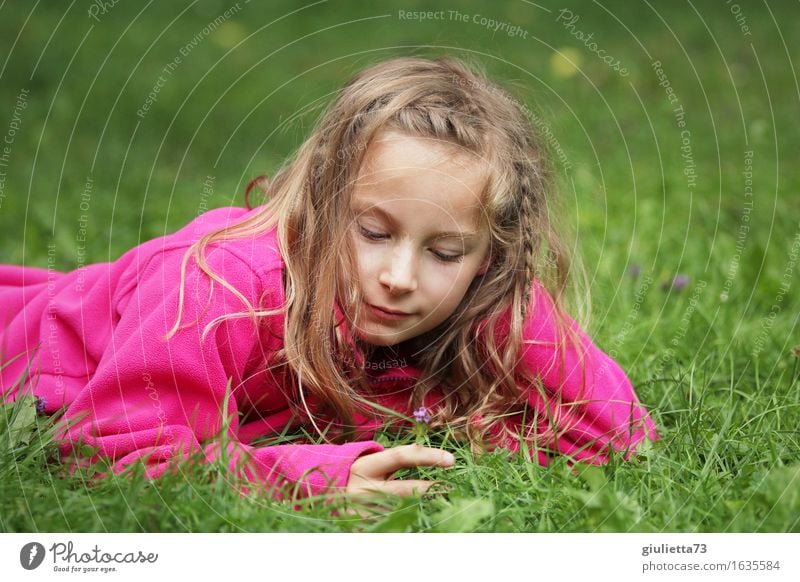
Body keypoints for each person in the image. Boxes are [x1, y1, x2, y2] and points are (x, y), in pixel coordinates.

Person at [0, 56, 658, 502]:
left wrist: (505, 299)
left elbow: (617, 435)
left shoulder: (465, 295)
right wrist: (304, 476)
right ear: (320, 200)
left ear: (489, 255)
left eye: (446, 251)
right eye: (373, 233)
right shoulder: (217, 288)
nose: (399, 277)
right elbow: (110, 450)